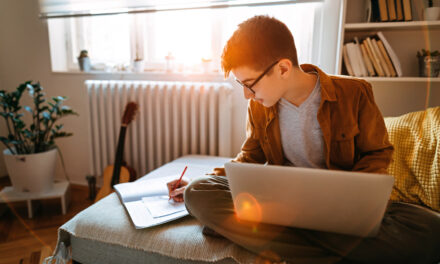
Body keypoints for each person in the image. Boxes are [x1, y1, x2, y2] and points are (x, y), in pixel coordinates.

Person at [167, 15, 440, 263]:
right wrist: (209, 178)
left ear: (284, 68)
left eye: (250, 84)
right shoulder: (259, 107)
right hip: (282, 205)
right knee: (198, 193)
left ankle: (276, 245)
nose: (247, 95)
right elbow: (248, 159)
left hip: (339, 207)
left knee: (429, 230)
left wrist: (352, 198)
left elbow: (378, 153)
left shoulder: (355, 93)